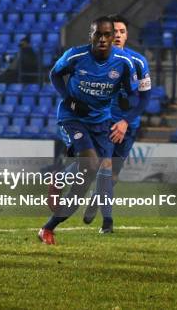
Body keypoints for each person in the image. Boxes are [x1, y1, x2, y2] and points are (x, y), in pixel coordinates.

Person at [38, 16, 138, 245]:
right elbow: (54, 74)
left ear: (113, 38)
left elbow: (131, 92)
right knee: (91, 164)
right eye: (98, 34)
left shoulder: (124, 62)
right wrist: (69, 100)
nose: (102, 39)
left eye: (106, 35)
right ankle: (60, 181)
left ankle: (48, 228)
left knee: (86, 180)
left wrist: (125, 100)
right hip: (73, 117)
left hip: (101, 123)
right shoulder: (76, 55)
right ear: (90, 36)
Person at [82, 14, 152, 233]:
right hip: (106, 123)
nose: (119, 36)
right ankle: (107, 223)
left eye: (122, 32)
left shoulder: (139, 62)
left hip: (129, 125)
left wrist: (126, 121)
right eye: (115, 32)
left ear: (126, 34)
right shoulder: (99, 60)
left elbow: (145, 98)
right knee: (106, 167)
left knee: (113, 175)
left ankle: (96, 198)